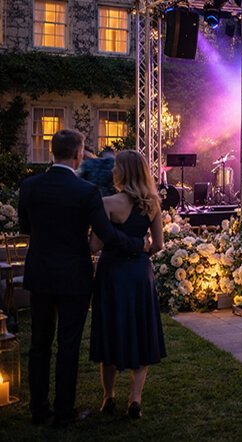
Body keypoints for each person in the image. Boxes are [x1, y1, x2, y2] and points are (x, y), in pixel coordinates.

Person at [18, 130, 146, 428]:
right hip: (74, 276)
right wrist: (137, 245)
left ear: (53, 152)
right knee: (68, 344)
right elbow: (107, 234)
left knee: (39, 343)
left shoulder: (29, 186)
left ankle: (39, 409)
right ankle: (64, 411)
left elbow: (26, 228)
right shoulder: (85, 191)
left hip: (40, 273)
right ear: (78, 154)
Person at [90, 150, 166, 419]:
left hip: (111, 273)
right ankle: (135, 398)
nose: (113, 171)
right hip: (138, 274)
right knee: (141, 330)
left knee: (110, 329)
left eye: (116, 167)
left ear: (122, 171)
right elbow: (158, 244)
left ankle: (108, 396)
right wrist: (140, 250)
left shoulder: (107, 203)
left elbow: (95, 245)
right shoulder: (152, 204)